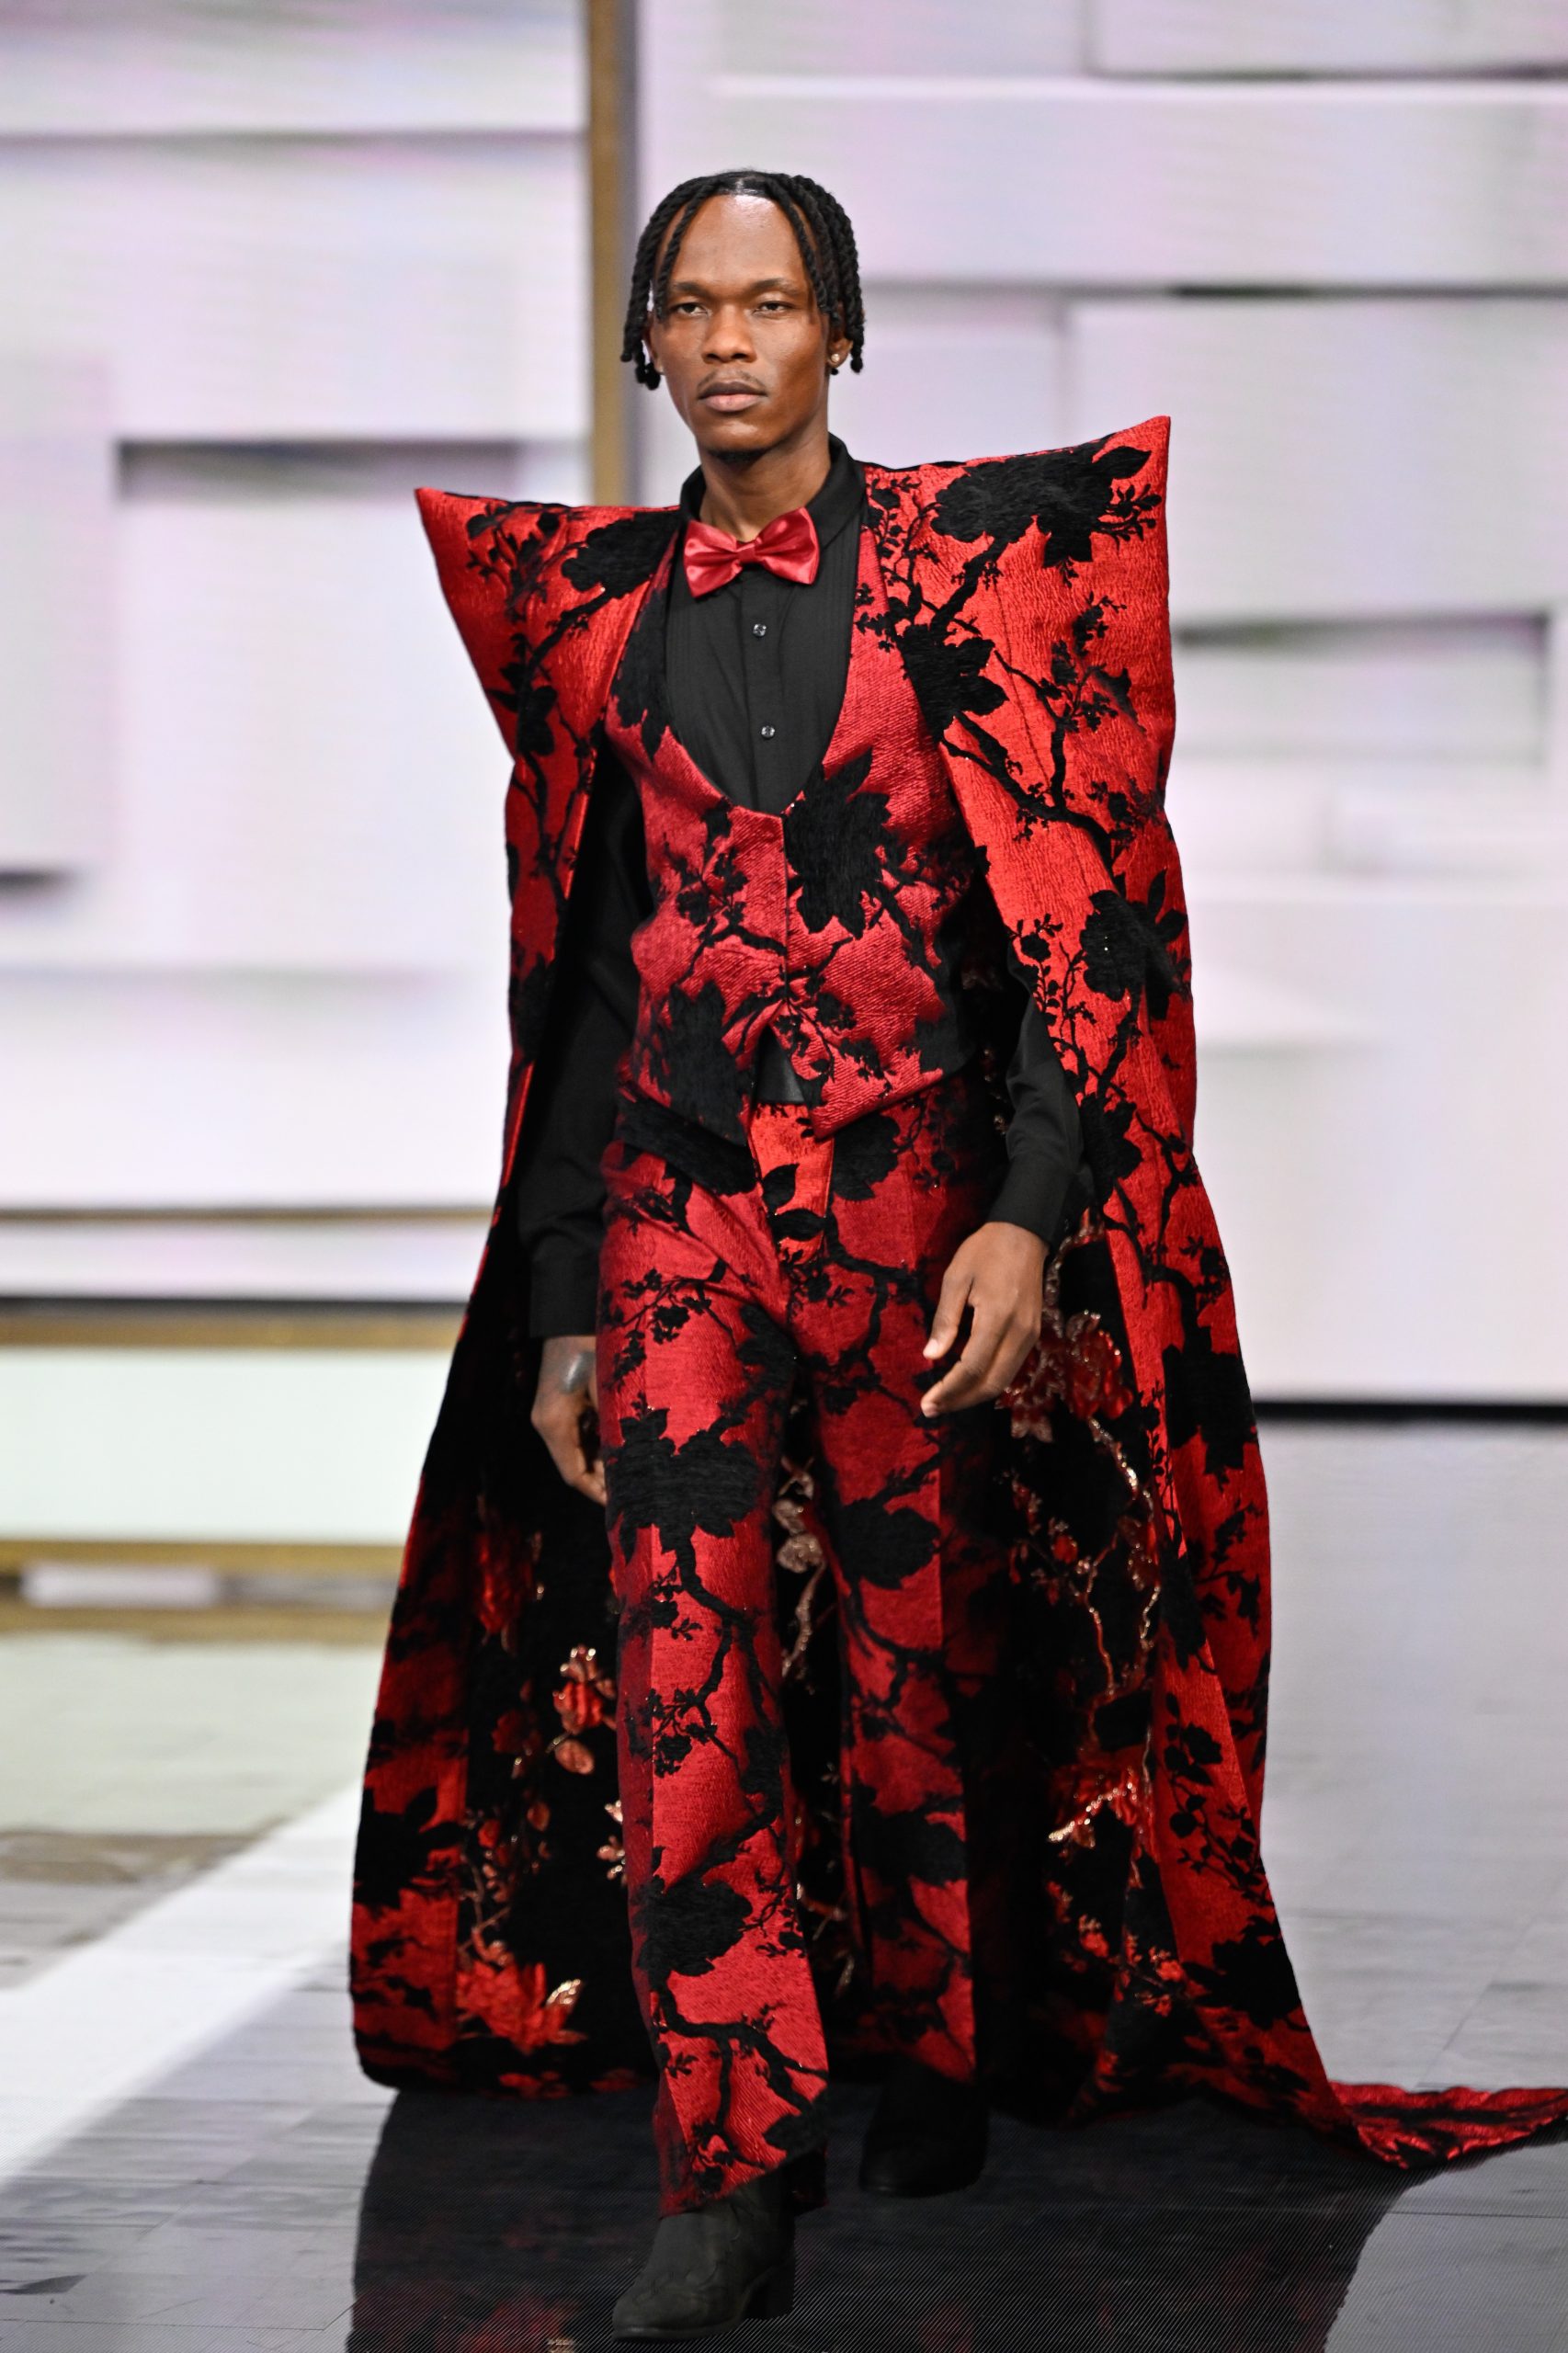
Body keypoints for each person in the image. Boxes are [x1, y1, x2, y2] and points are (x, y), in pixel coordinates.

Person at [352, 170, 1568, 2344]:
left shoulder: (969, 589)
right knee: (683, 1664)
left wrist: (1023, 1210)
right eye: (693, 304)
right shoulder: (600, 622)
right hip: (676, 1206)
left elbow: (1067, 933)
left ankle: (927, 2049)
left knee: (920, 1658)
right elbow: (589, 980)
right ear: (646, 342)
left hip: (915, 1206)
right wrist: (556, 1296)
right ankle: (729, 2170)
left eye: (772, 301)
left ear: (838, 332)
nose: (731, 340)